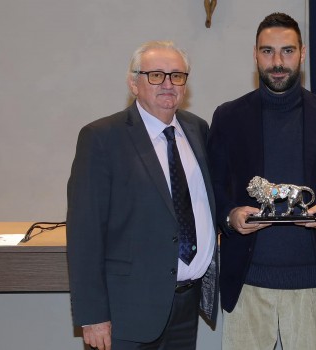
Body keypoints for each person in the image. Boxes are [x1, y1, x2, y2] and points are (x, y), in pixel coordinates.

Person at [207, 12, 316, 350]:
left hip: (311, 284)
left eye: (287, 51)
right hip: (247, 284)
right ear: (256, 55)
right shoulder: (228, 117)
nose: (277, 62)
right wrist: (230, 214)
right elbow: (213, 187)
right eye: (267, 51)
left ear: (302, 53)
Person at [66, 40, 218, 350]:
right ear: (134, 83)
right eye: (155, 75)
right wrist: (93, 316)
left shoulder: (197, 129)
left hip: (185, 307)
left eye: (177, 75)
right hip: (128, 313)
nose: (167, 84)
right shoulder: (102, 138)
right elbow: (84, 233)